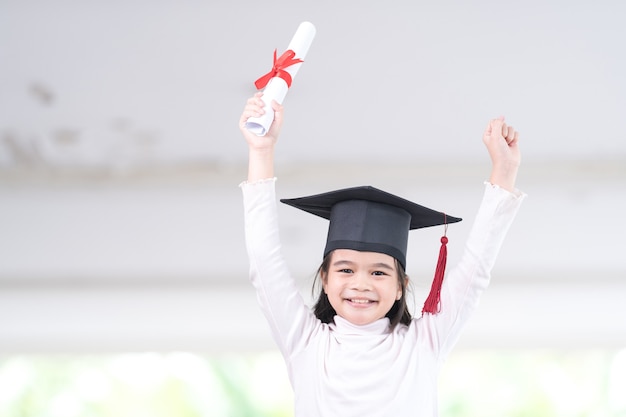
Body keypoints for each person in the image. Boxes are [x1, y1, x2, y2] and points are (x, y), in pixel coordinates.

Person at [238, 92, 525, 417]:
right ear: (325, 279)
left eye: (378, 272)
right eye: (346, 270)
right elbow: (264, 261)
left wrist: (505, 170)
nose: (361, 284)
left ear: (401, 284)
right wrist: (261, 150)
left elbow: (476, 268)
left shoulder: (424, 343)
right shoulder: (305, 342)